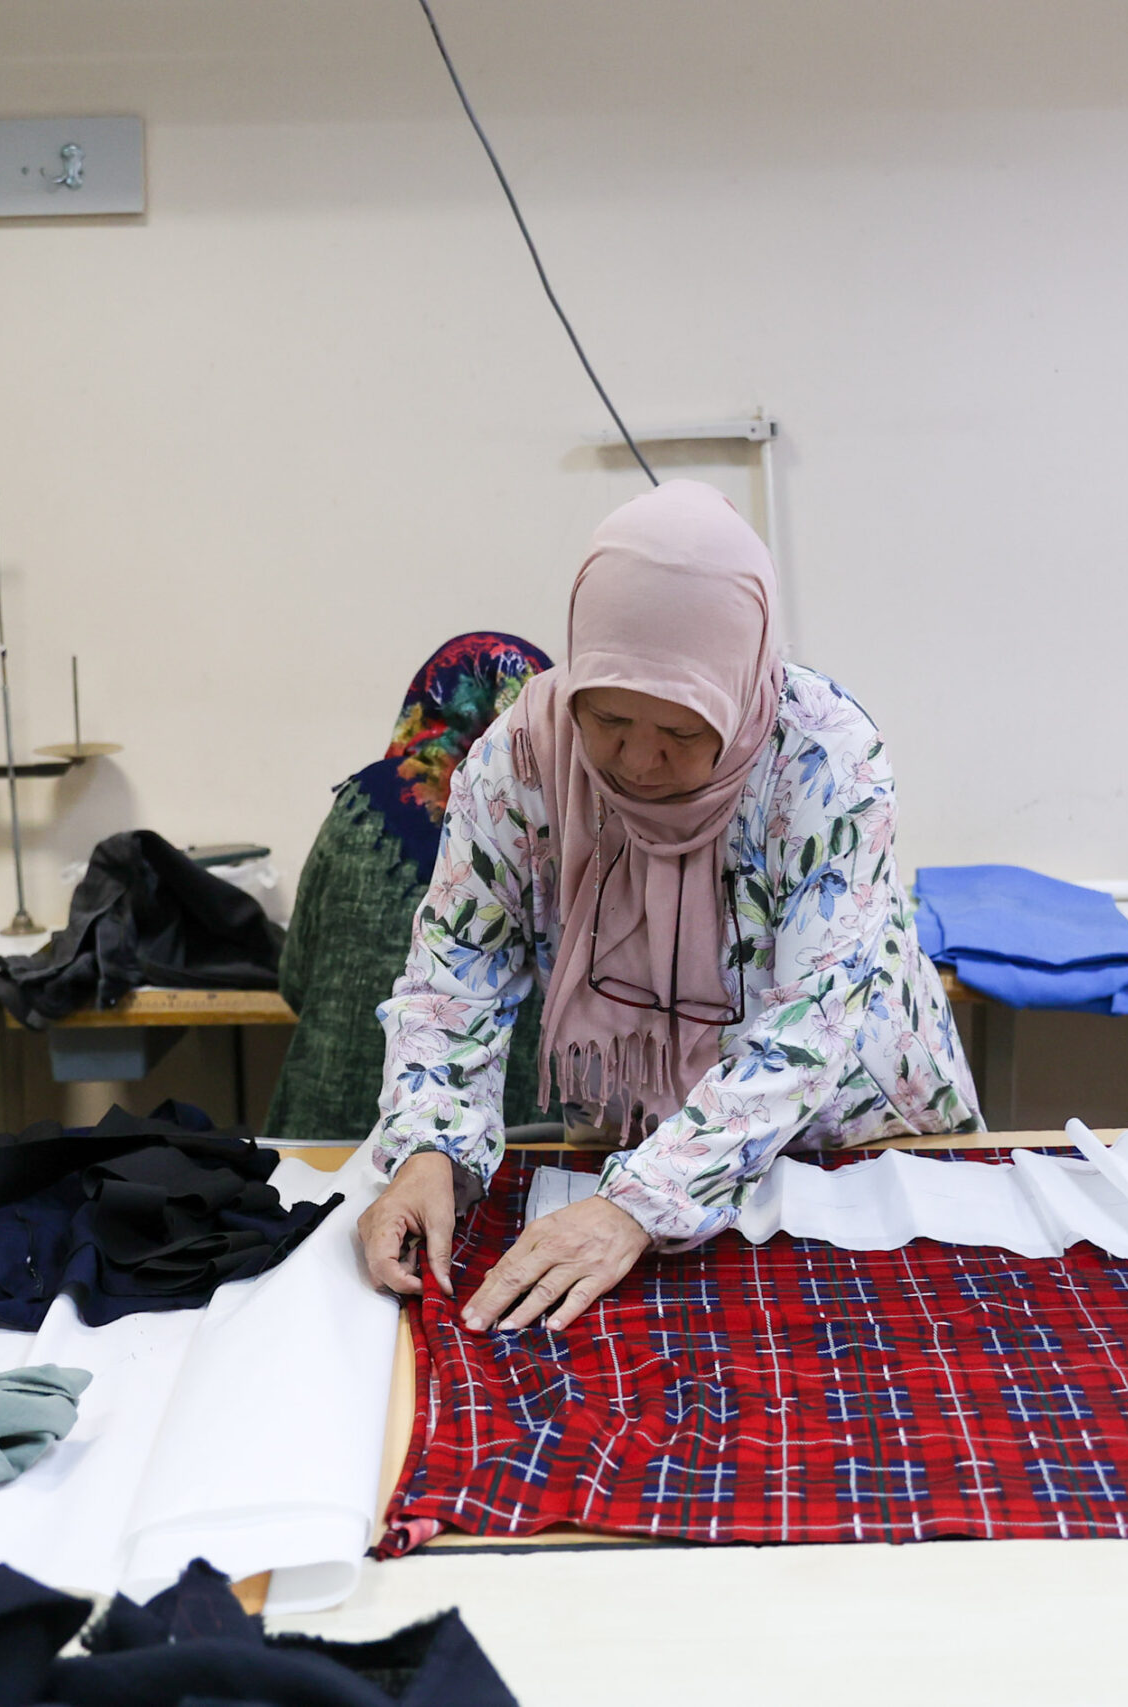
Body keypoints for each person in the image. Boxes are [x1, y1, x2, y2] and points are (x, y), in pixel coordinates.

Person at [355, 481, 981, 1331]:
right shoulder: (525, 758)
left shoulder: (825, 761)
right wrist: (429, 1147)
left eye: (684, 730)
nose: (639, 761)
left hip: (850, 1142)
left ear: (739, 688)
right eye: (610, 717)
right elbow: (455, 977)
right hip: (631, 1150)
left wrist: (643, 1202)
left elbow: (811, 1027)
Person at [264, 633, 554, 1143]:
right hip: (494, 1144)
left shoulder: (361, 806)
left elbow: (294, 978)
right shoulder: (555, 823)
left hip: (323, 1132)